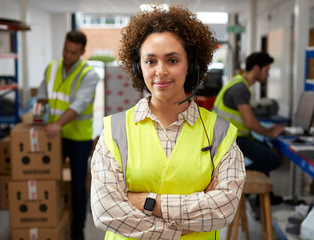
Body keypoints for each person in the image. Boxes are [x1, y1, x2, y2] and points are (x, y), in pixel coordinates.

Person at [90, 5, 246, 239]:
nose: (160, 71)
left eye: (172, 60)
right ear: (138, 66)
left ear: (191, 64)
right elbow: (106, 211)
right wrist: (182, 225)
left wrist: (146, 202)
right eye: (150, 61)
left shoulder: (219, 133)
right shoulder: (115, 131)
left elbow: (223, 210)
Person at [36, 30, 99, 240]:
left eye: (73, 52)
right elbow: (43, 93)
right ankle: (51, 219)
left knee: (77, 185)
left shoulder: (89, 74)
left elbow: (79, 104)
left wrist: (58, 124)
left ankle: (77, 229)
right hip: (55, 136)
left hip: (79, 138)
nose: (68, 55)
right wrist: (38, 111)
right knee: (49, 177)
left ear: (81, 52)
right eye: (66, 50)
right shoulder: (52, 68)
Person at [213, 52, 284, 204]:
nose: (268, 74)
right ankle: (240, 182)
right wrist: (271, 132)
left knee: (264, 149)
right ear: (257, 69)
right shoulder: (240, 88)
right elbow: (251, 123)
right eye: (266, 70)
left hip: (230, 137)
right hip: (231, 140)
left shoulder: (239, 83)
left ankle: (261, 198)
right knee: (273, 159)